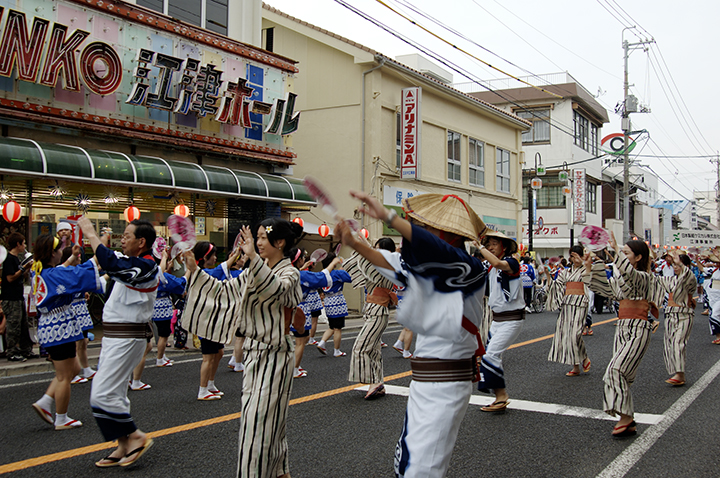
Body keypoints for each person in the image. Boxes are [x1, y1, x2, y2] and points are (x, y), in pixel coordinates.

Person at [335, 191, 487, 478]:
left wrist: (388, 217)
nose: (418, 232)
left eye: (426, 227)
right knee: (406, 463)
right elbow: (387, 262)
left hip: (446, 383)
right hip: (424, 380)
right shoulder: (428, 269)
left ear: (448, 234)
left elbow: (431, 248)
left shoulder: (468, 268)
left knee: (422, 469)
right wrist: (353, 242)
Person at [182, 218, 303, 478]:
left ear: (280, 242)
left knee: (258, 425)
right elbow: (223, 291)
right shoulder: (255, 270)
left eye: (262, 237)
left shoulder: (290, 273)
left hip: (275, 353)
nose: (257, 243)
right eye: (256, 237)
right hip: (254, 352)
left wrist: (253, 259)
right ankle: (279, 472)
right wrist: (195, 270)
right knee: (266, 423)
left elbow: (276, 290)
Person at [79, 216, 159, 467]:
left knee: (101, 394)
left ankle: (135, 436)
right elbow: (110, 262)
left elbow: (111, 262)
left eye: (126, 236)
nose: (121, 240)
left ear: (141, 242)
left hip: (127, 337)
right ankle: (123, 444)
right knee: (114, 393)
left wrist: (91, 234)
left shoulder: (147, 267)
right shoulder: (132, 263)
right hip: (117, 337)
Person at [583, 233, 664, 438]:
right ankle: (628, 422)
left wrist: (615, 250)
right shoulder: (622, 278)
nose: (622, 256)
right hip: (622, 327)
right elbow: (605, 289)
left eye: (627, 253)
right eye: (623, 253)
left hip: (638, 328)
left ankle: (627, 416)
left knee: (616, 370)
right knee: (622, 375)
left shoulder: (645, 277)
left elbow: (630, 274)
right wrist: (589, 268)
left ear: (639, 257)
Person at [30, 236, 102, 430]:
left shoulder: (38, 271)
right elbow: (77, 273)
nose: (62, 252)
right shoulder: (54, 274)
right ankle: (61, 418)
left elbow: (62, 271)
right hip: (60, 326)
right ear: (52, 253)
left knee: (74, 369)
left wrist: (72, 257)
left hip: (50, 326)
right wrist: (98, 250)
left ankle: (46, 401)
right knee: (64, 376)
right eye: (60, 249)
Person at [475, 229, 524, 413]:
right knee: (490, 356)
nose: (490, 247)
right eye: (488, 245)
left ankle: (501, 396)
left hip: (511, 319)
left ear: (504, 247)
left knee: (491, 356)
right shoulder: (490, 268)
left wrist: (479, 247)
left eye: (494, 244)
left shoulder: (511, 263)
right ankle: (499, 396)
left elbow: (497, 262)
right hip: (497, 320)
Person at [345, 237, 398, 400]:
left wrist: (364, 246)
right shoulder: (385, 266)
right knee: (373, 350)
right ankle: (377, 383)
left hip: (378, 311)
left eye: (377, 248)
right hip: (375, 310)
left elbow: (370, 261)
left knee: (360, 347)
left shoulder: (386, 265)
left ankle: (374, 382)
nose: (373, 251)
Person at [191, 241, 242, 400]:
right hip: (206, 320)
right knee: (208, 357)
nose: (215, 258)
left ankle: (210, 384)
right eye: (212, 255)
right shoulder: (201, 272)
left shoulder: (207, 271)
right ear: (204, 257)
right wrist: (236, 255)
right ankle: (202, 389)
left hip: (214, 319)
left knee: (218, 353)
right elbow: (221, 270)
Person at [546, 245, 592, 377]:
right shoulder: (566, 272)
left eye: (576, 255)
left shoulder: (586, 269)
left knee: (575, 335)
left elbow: (590, 278)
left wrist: (583, 263)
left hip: (580, 303)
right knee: (566, 334)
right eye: (571, 256)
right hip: (567, 304)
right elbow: (557, 285)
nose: (573, 258)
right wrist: (548, 275)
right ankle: (576, 365)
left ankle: (583, 358)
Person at [662, 253, 696, 386]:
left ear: (686, 266)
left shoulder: (690, 279)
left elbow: (688, 276)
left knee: (678, 343)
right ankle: (676, 372)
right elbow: (653, 280)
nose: (675, 267)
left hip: (684, 314)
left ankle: (680, 374)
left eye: (678, 265)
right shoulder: (670, 279)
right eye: (674, 265)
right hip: (670, 314)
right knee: (669, 344)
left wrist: (680, 263)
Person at [1, 232, 35, 361]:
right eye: (23, 243)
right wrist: (23, 268)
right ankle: (12, 351)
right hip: (11, 298)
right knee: (13, 325)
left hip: (18, 296)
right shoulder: (9, 259)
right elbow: (10, 278)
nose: (24, 246)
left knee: (23, 325)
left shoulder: (17, 259)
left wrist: (26, 269)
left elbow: (20, 275)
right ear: (18, 244)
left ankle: (26, 349)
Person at [315, 253, 352, 358]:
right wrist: (343, 270)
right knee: (338, 328)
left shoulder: (322, 274)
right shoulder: (338, 273)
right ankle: (337, 350)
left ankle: (322, 342)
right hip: (337, 302)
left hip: (327, 301)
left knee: (332, 326)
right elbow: (350, 278)